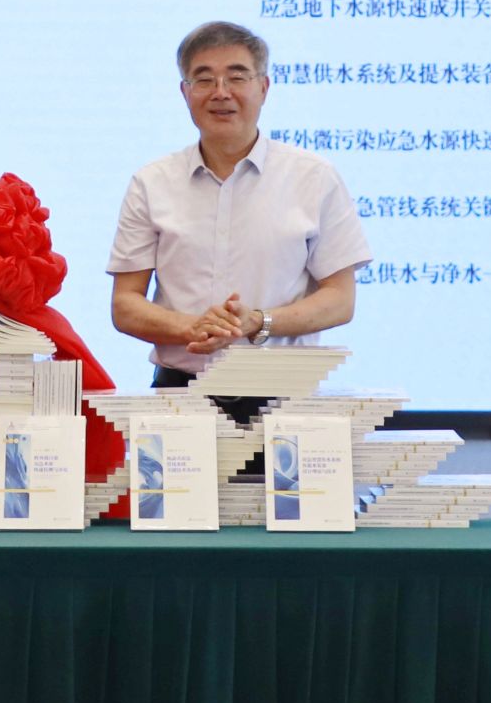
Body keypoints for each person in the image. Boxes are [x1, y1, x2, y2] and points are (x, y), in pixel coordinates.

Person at [107, 21, 371, 423]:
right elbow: (125, 305)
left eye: (237, 77)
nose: (221, 92)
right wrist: (191, 328)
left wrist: (259, 322)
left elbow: (340, 299)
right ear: (185, 92)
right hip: (179, 397)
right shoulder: (152, 182)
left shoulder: (314, 177)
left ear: (263, 88)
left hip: (286, 402)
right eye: (204, 79)